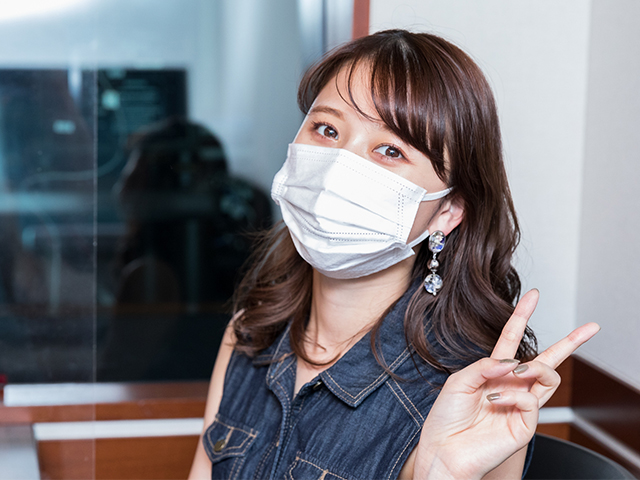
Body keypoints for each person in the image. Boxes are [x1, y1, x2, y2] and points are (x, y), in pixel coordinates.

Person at [188, 30, 599, 479]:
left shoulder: (474, 395)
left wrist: (439, 473)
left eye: (390, 150)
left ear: (448, 211)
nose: (339, 166)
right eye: (327, 129)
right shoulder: (250, 334)